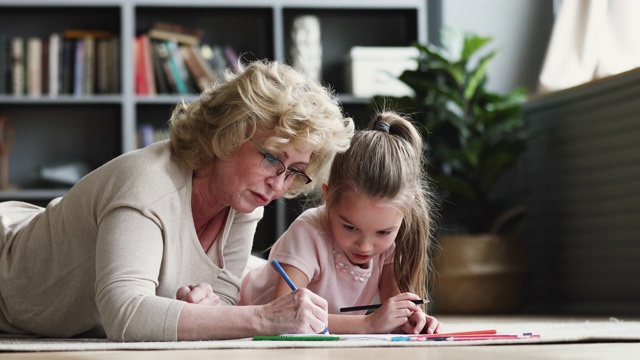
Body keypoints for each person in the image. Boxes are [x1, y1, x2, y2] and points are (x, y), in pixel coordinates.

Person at [0, 60, 354, 341]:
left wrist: (203, 305)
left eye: (294, 170)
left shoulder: (245, 200)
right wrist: (264, 317)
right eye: (273, 158)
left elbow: (223, 301)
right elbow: (125, 315)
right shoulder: (148, 185)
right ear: (229, 133)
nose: (279, 183)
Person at [239, 111, 441, 335]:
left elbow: (393, 310)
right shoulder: (308, 231)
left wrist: (410, 319)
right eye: (350, 227)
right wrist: (368, 324)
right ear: (328, 197)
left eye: (383, 232)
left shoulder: (392, 241)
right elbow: (286, 317)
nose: (365, 246)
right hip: (238, 302)